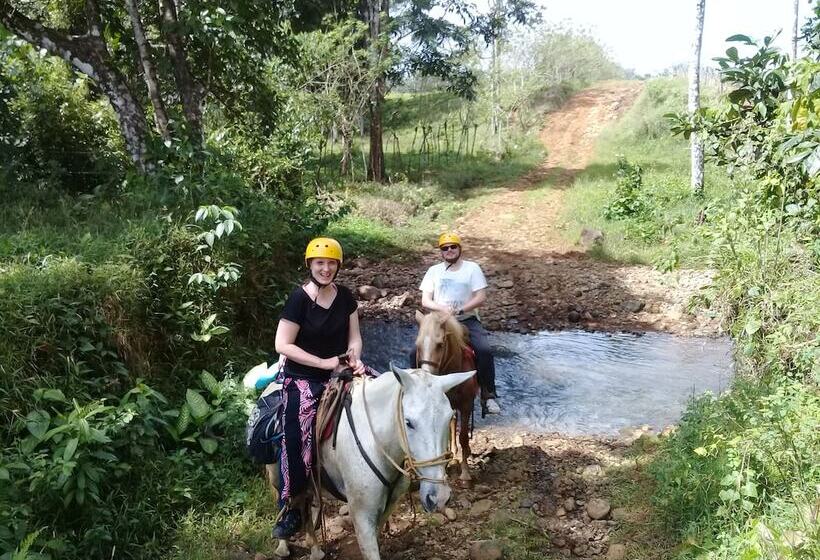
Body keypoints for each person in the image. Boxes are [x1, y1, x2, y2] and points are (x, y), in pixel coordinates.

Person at [272, 236, 365, 538]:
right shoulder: (298, 299)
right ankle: (293, 503)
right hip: (303, 376)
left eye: (331, 263)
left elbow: (354, 337)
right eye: (319, 263)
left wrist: (354, 356)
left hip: (340, 369)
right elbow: (282, 344)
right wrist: (323, 363)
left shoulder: (346, 297)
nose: (325, 269)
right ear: (310, 265)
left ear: (338, 266)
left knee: (385, 397)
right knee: (296, 431)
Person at [418, 232, 501, 415]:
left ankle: (488, 395)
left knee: (484, 350)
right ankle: (417, 391)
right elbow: (425, 300)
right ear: (441, 252)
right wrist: (441, 309)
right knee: (415, 352)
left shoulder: (472, 269)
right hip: (439, 320)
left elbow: (480, 297)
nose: (449, 250)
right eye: (445, 248)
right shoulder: (433, 271)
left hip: (466, 319)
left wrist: (460, 310)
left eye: (453, 247)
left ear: (459, 248)